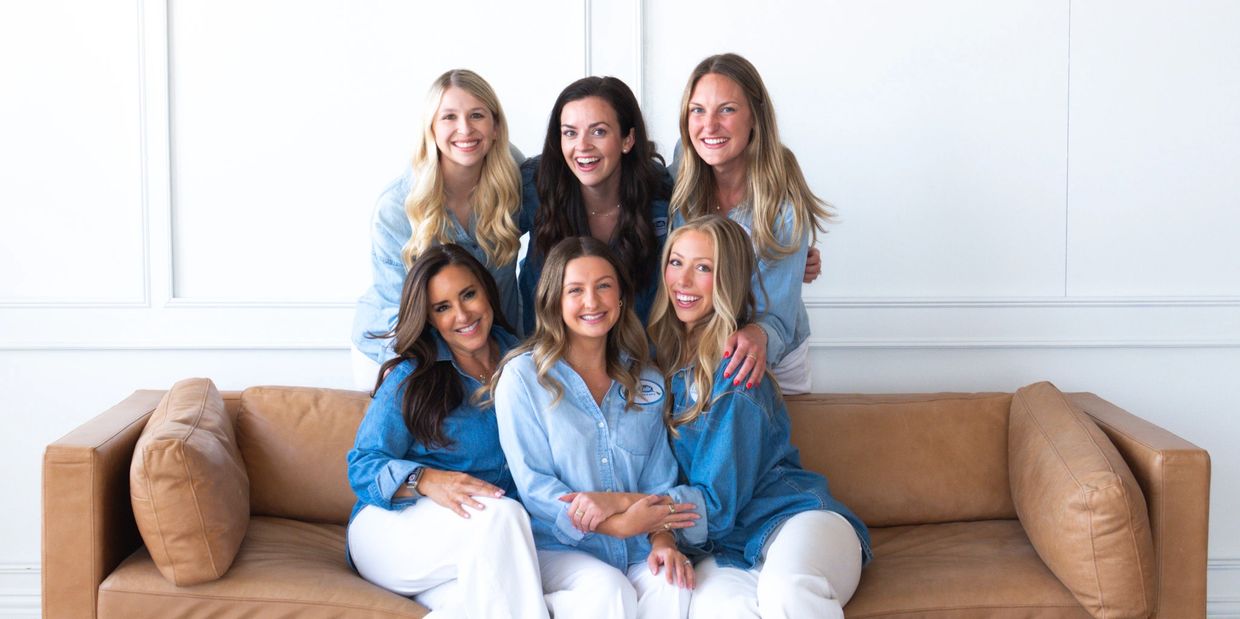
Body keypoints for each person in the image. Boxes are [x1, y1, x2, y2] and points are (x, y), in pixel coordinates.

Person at [649, 216, 871, 619]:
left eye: (703, 268)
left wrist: (634, 510)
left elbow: (714, 505)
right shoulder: (658, 368)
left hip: (796, 521)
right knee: (711, 609)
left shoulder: (737, 374)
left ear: (728, 280)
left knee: (786, 591)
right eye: (676, 262)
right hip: (730, 548)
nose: (682, 280)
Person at [494, 236, 697, 619]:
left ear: (621, 298)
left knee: (672, 583)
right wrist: (616, 525)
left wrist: (664, 540)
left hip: (640, 543)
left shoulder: (647, 380)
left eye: (604, 286)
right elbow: (536, 486)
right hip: (560, 548)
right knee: (610, 591)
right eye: (575, 290)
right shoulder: (522, 377)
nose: (592, 302)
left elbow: (659, 481)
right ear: (555, 301)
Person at [346, 244, 548, 619]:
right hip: (390, 528)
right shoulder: (413, 377)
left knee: (473, 604)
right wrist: (425, 479)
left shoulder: (528, 364)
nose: (462, 314)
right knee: (502, 515)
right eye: (442, 307)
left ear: (487, 291)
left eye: (468, 294)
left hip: (482, 534)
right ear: (429, 319)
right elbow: (361, 465)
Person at [670, 53, 833, 394]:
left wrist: (758, 334)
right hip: (697, 346)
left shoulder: (784, 204)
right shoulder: (681, 171)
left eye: (727, 109)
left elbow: (777, 315)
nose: (709, 126)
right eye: (698, 110)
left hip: (767, 355)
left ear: (755, 117)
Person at [352, 69, 523, 388]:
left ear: (496, 127)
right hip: (405, 343)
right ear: (430, 128)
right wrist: (406, 363)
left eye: (477, 115)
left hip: (490, 344)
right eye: (449, 117)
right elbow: (397, 308)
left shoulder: (511, 175)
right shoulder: (396, 208)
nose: (465, 129)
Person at [517, 76, 670, 335]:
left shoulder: (660, 195)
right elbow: (485, 244)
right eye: (570, 133)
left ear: (627, 139)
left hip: (640, 363)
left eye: (598, 131)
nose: (582, 146)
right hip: (547, 358)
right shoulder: (536, 186)